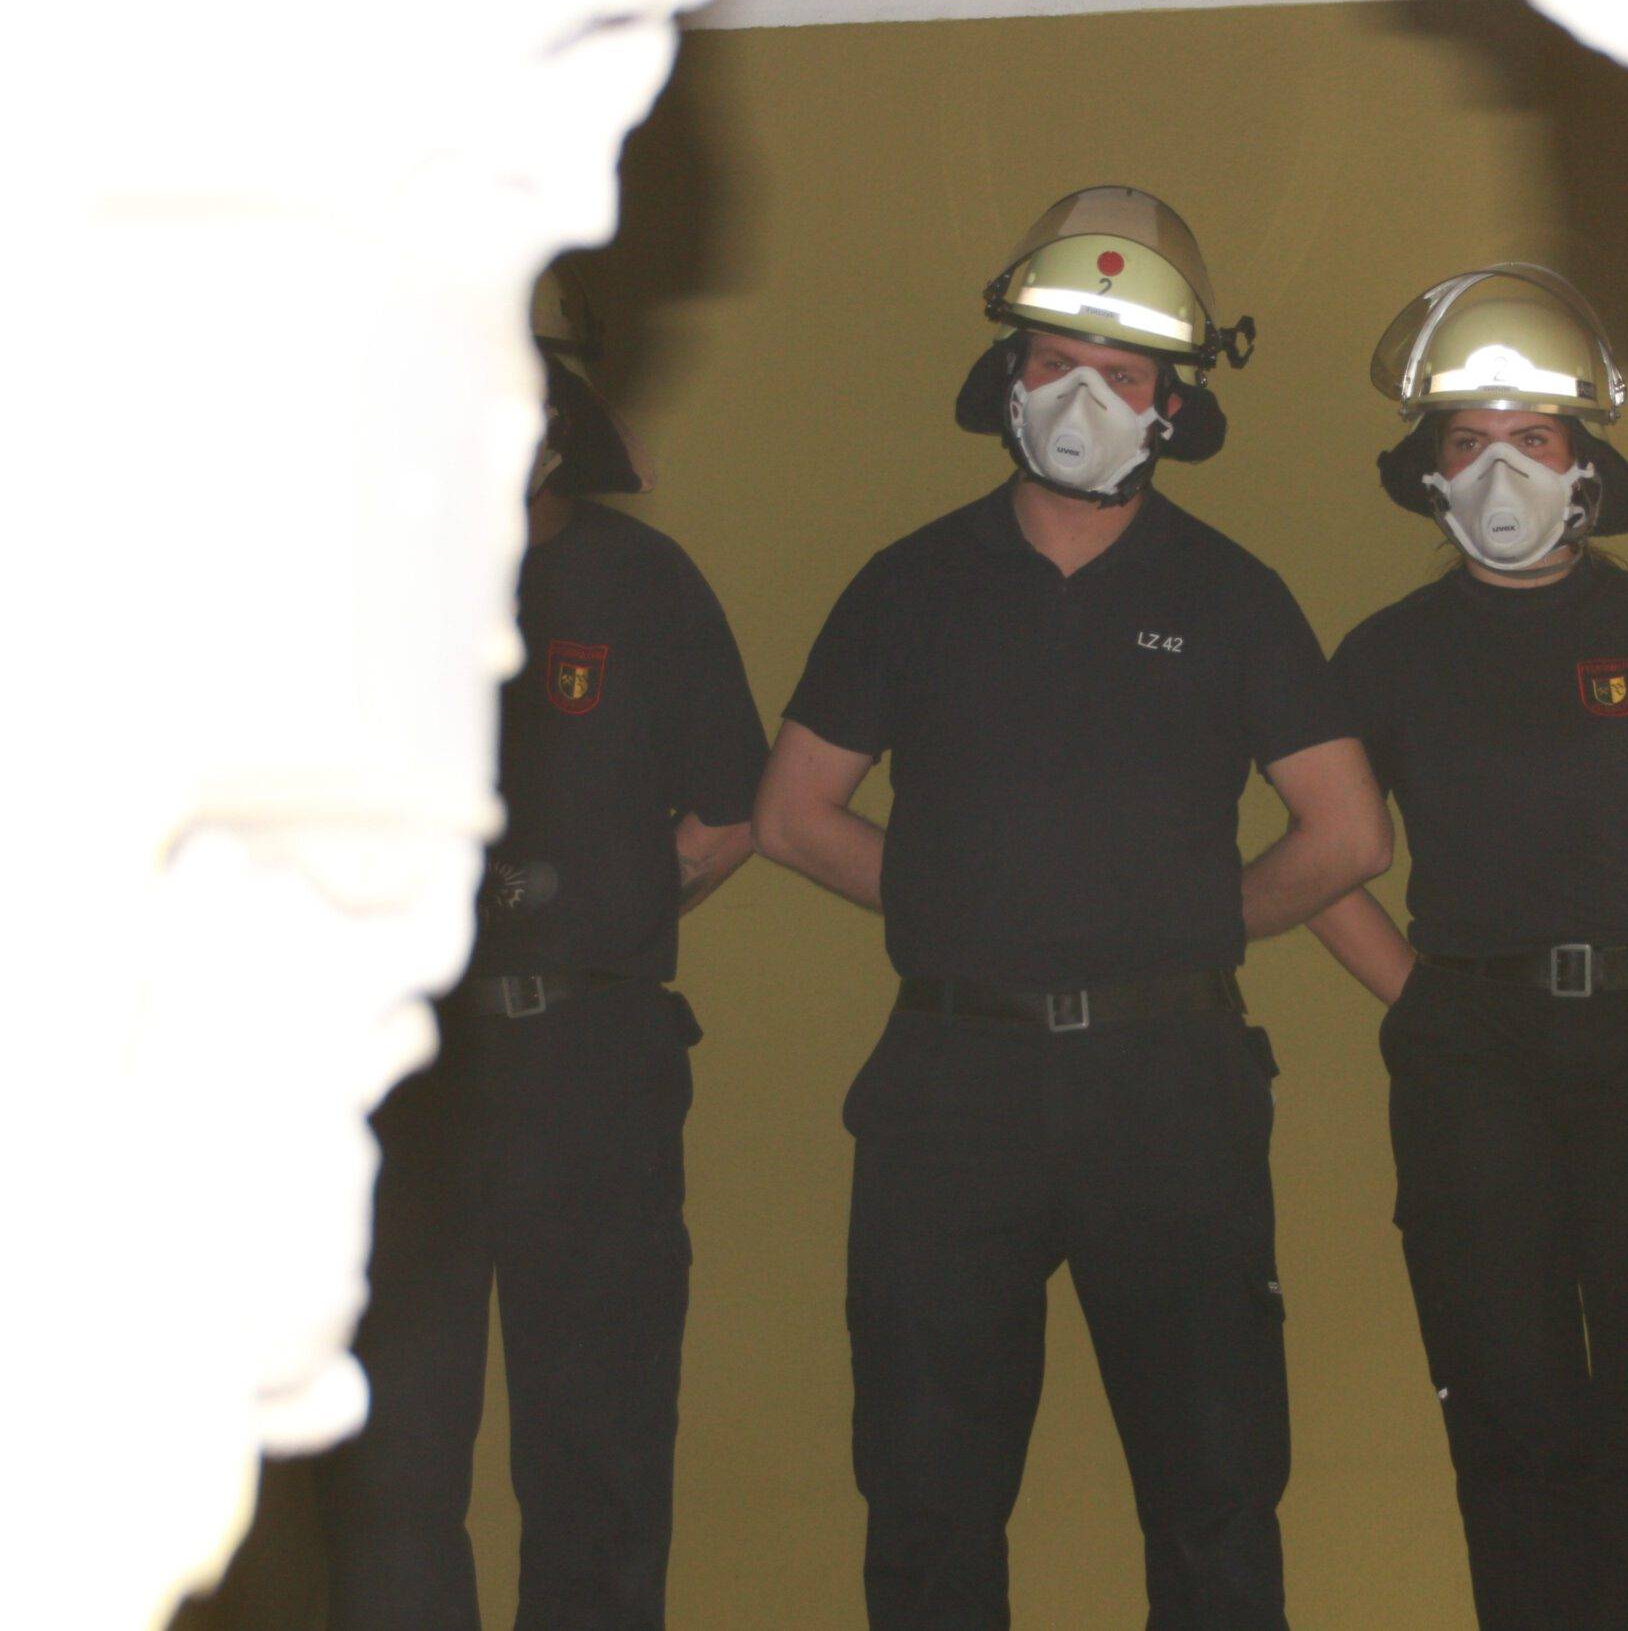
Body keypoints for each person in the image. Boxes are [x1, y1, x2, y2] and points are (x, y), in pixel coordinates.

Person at [753, 186, 1391, 1630]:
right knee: (926, 1500)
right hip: (950, 1089)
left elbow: (1350, 833)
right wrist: (959, 902)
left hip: (1171, 1088)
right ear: (1007, 374)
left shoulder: (1232, 596)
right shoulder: (910, 585)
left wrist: (1189, 918)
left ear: (1176, 404)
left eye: (1122, 374)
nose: (1082, 397)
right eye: (1055, 362)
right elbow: (792, 812)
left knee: (1216, 1497)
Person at [1308, 266, 1628, 1630]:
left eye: (1531, 439)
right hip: (1471, 1066)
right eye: (1468, 443)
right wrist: (1420, 997)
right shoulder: (1385, 656)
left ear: (1585, 464)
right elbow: (1323, 852)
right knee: (1509, 1419)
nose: (1500, 472)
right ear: (1429, 472)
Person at [321, 261, 769, 1629]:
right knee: (391, 1471)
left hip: (594, 1066)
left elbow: (732, 811)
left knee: (600, 1458)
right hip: (403, 1075)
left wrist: (599, 916)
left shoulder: (642, 584)